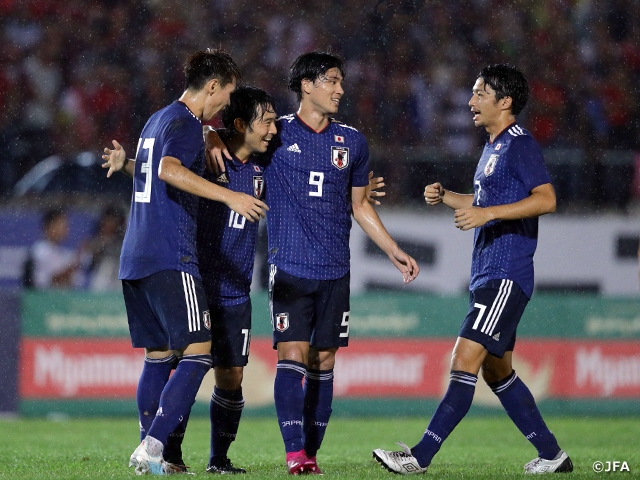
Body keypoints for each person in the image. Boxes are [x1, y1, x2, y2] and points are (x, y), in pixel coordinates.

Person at [372, 64, 572, 475]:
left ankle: (418, 456)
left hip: (505, 272)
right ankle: (553, 455)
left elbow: (547, 199)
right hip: (488, 272)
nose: (470, 101)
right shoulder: (493, 146)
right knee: (498, 372)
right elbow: (481, 204)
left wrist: (488, 213)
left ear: (505, 101)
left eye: (481, 93)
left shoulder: (519, 143)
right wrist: (449, 197)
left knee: (463, 361)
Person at [101, 48, 268, 476]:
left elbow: (153, 168)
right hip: (170, 254)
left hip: (135, 257)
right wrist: (230, 194)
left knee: (158, 356)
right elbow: (170, 170)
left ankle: (148, 454)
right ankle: (155, 446)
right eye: (226, 94)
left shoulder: (158, 118)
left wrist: (126, 166)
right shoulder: (187, 124)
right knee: (198, 353)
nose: (226, 104)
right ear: (212, 86)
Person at [262, 51, 419, 475]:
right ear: (307, 85)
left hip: (335, 269)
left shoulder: (352, 141)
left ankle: (311, 454)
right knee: (292, 355)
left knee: (324, 361)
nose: (340, 89)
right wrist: (208, 137)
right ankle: (294, 454)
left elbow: (360, 204)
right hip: (290, 265)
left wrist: (392, 248)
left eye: (341, 81)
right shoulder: (273, 134)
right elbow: (230, 146)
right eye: (332, 80)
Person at [24, 207, 87, 289]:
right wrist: (76, 262)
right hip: (42, 298)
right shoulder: (40, 250)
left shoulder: (63, 252)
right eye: (61, 225)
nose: (65, 229)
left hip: (62, 297)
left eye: (66, 225)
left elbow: (75, 281)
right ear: (49, 226)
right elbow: (52, 280)